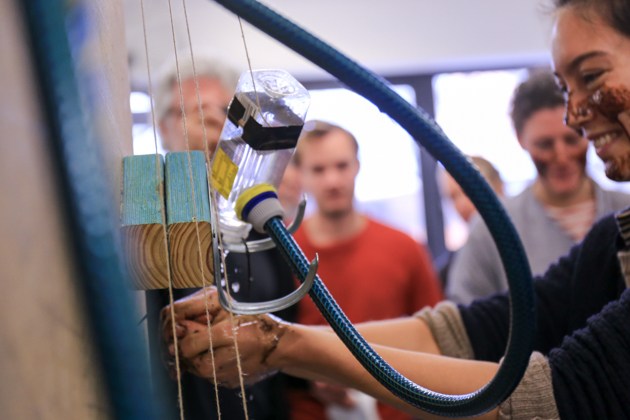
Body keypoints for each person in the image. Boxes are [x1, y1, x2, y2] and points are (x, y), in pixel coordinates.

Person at [162, 1, 630, 418]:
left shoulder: (399, 246)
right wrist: (273, 335)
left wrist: (283, 344)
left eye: (591, 77)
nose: (574, 115)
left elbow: (554, 400)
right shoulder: (611, 242)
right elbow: (467, 331)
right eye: (565, 89)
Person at [146, 52, 297, 420]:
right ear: (164, 127)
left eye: (225, 110)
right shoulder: (148, 219)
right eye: (194, 109)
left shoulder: (258, 218)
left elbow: (288, 326)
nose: (212, 118)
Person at [287, 120, 443, 420]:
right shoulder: (283, 252)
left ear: (357, 166)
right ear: (301, 175)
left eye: (341, 166)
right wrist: (306, 380)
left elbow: (439, 336)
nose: (333, 180)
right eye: (318, 170)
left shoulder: (404, 247)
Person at [446, 70, 630, 304]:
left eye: (572, 139)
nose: (561, 156)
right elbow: (465, 313)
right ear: (520, 138)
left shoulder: (624, 211)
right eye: (545, 144)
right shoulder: (493, 229)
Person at [436, 155, 504, 288]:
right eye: (453, 197)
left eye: (469, 192)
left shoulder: (534, 236)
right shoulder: (450, 270)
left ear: (499, 187)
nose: (462, 205)